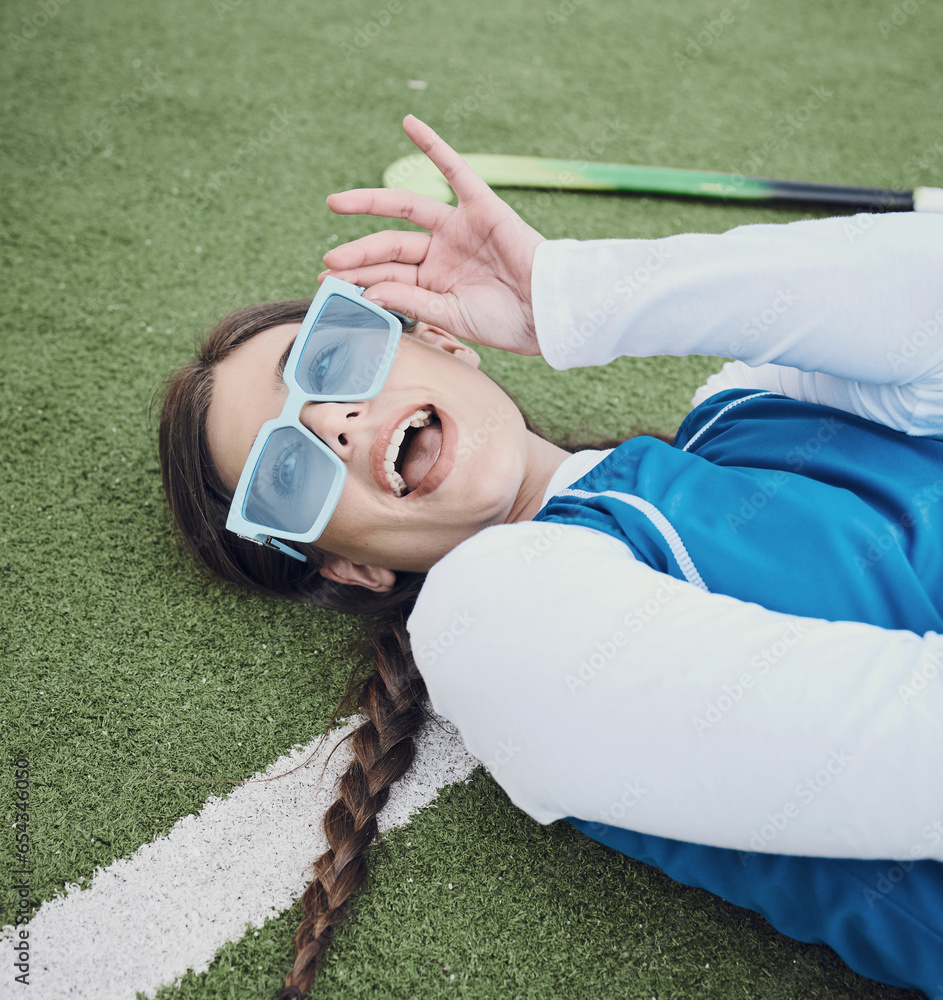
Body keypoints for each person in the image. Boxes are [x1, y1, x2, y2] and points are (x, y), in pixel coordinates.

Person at [158, 115, 943, 999]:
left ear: (437, 340)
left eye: (332, 359)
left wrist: (573, 296)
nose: (333, 421)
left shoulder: (756, 407)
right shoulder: (491, 621)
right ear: (351, 568)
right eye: (285, 473)